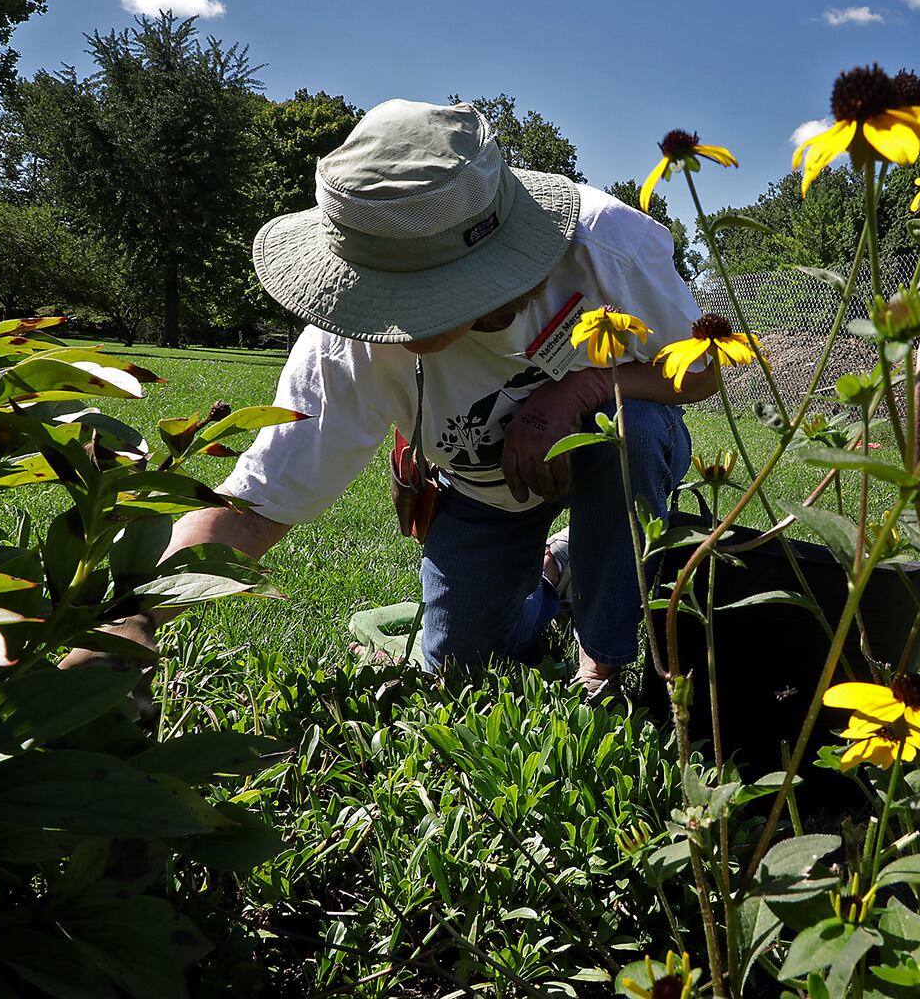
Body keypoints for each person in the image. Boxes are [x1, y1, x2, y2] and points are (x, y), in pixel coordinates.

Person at [72, 99, 716, 698]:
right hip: (477, 489)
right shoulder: (342, 344)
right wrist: (129, 612)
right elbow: (254, 508)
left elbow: (702, 373)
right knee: (460, 671)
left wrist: (581, 387)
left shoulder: (610, 246)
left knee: (628, 435)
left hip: (614, 445)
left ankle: (601, 664)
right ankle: (556, 572)